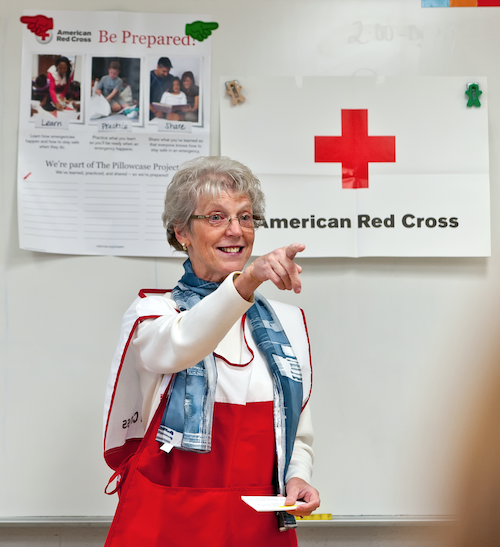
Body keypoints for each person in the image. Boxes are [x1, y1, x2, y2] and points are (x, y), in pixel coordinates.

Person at [103, 156, 320, 547]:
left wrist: (297, 475)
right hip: (167, 521)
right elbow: (182, 346)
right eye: (217, 217)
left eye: (246, 217)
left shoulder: (288, 323)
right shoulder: (153, 315)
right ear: (182, 231)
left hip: (257, 522)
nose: (236, 231)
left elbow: (298, 432)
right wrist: (247, 280)